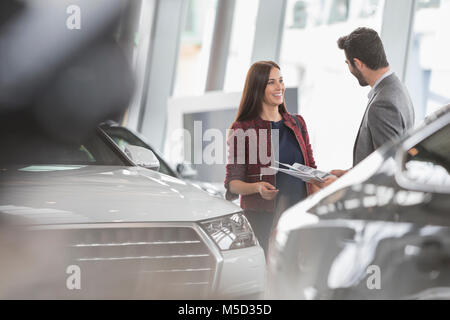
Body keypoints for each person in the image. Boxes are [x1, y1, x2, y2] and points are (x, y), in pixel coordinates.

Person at [224, 61, 321, 255]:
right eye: (272, 82)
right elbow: (233, 183)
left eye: (281, 80)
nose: (280, 87)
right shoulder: (242, 129)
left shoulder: (297, 123)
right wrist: (257, 187)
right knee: (267, 276)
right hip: (262, 220)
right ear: (258, 87)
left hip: (297, 218)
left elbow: (311, 167)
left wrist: (322, 181)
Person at [329, 27, 415, 181]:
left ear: (358, 63)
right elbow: (378, 158)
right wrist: (351, 173)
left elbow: (389, 169)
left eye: (348, 63)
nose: (349, 68)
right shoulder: (397, 88)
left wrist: (344, 184)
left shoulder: (382, 103)